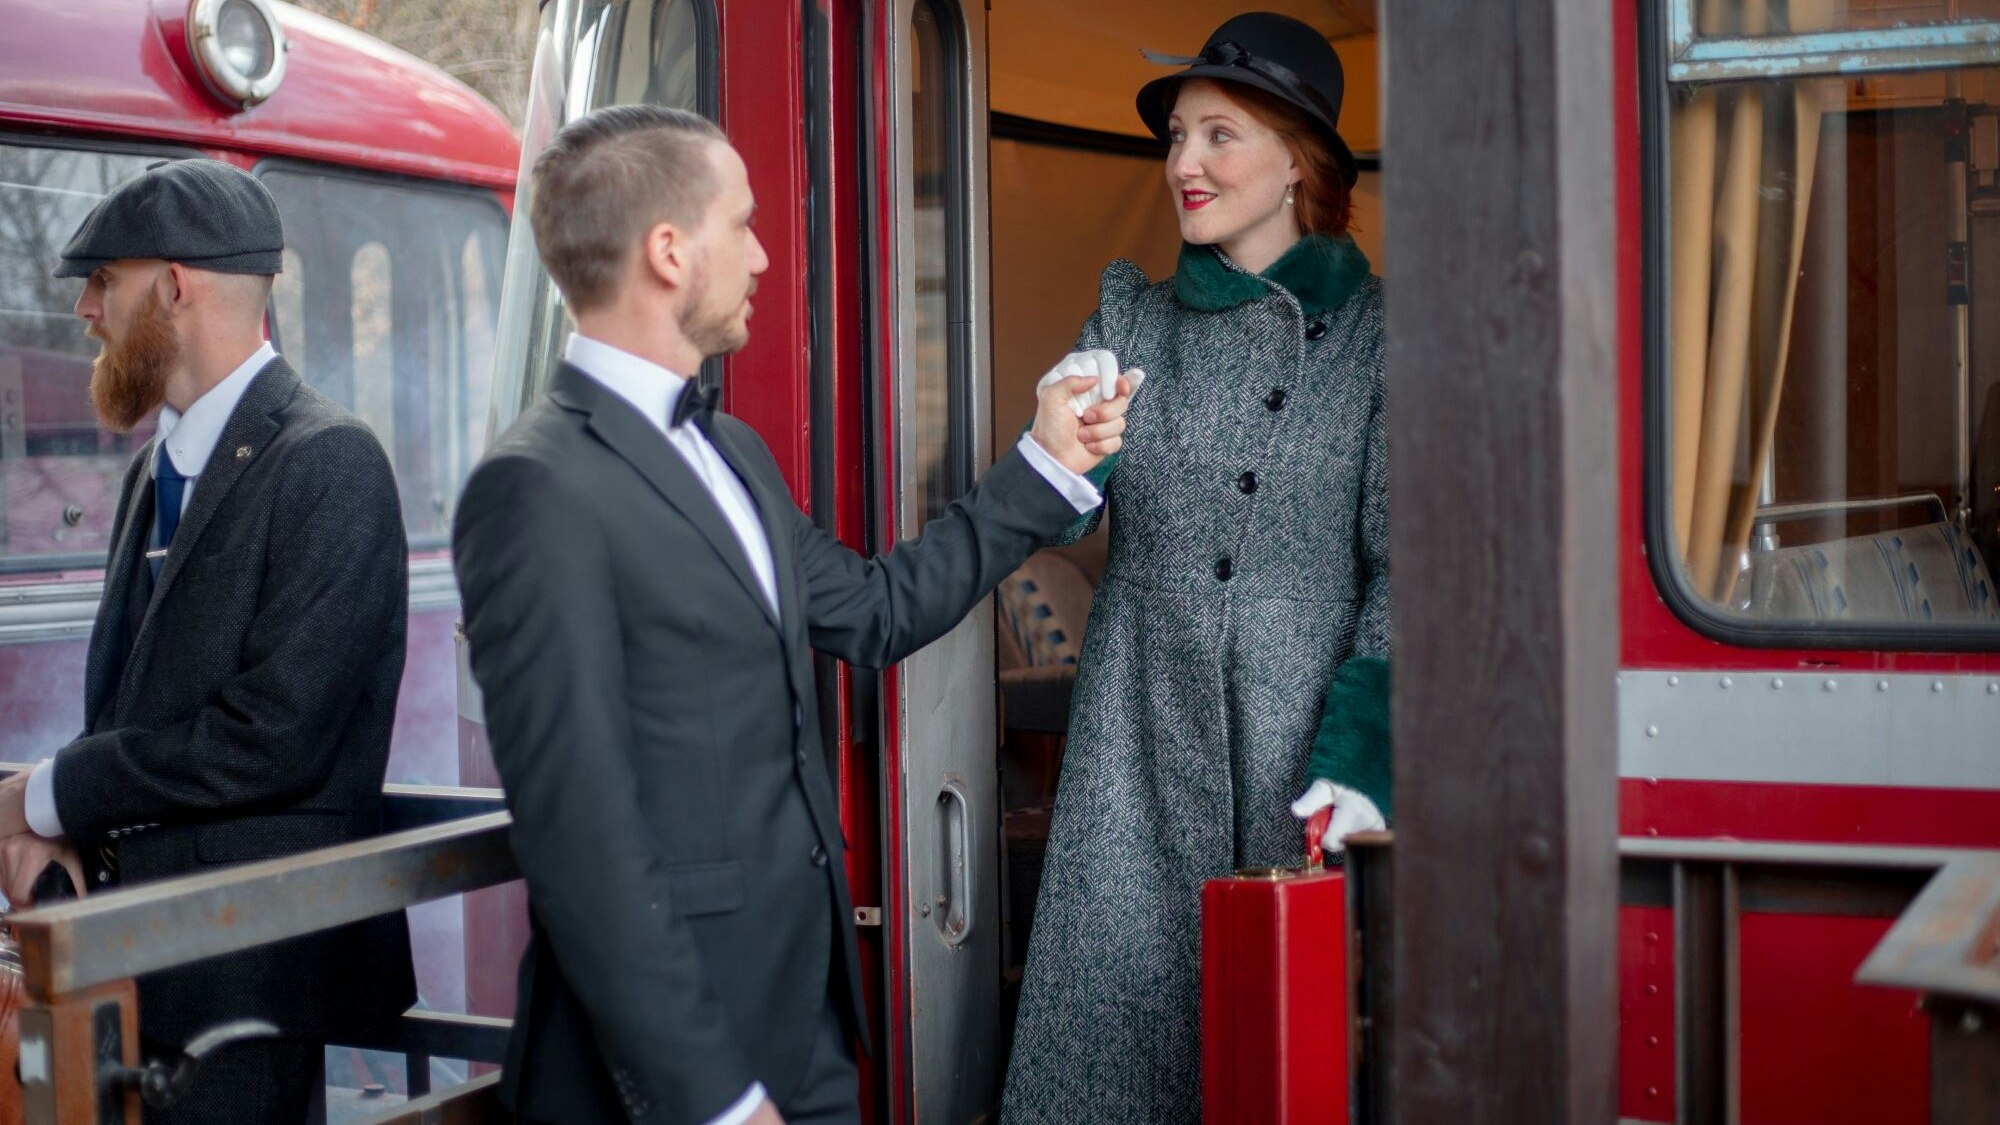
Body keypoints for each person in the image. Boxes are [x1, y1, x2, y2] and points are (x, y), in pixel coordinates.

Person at [450, 104, 1130, 1125]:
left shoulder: (737, 456)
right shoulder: (534, 490)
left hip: (803, 1029)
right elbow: (578, 838)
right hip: (672, 1075)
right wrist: (712, 1097)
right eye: (743, 224)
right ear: (669, 252)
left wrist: (1042, 469)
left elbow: (874, 608)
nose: (764, 256)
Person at [1002, 13, 1390, 1123]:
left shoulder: (1379, 338)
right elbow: (1054, 507)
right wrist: (1051, 443)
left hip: (1303, 768)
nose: (1181, 166)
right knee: (1115, 1071)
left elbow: (1405, 566)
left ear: (1296, 166)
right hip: (1134, 763)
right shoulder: (1128, 319)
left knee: (1285, 1067)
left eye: (1217, 137)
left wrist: (1361, 754)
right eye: (1176, 137)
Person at [0, 158, 415, 1123]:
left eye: (103, 281)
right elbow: (135, 712)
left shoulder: (331, 461)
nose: (86, 312)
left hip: (244, 986)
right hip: (133, 961)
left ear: (174, 287)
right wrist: (45, 830)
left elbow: (272, 736)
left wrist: (48, 793)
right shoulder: (153, 470)